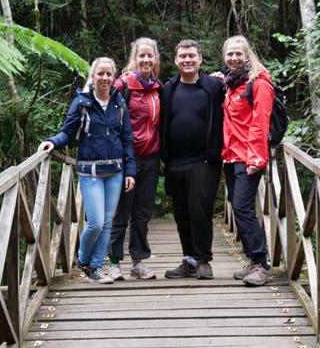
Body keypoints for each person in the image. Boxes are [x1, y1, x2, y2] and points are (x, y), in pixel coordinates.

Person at [39, 57, 136, 283]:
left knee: (108, 223)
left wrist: (130, 171)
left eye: (108, 74)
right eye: (100, 73)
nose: (104, 78)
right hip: (90, 171)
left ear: (114, 77)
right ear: (93, 76)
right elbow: (68, 131)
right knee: (96, 222)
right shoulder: (82, 102)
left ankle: (95, 267)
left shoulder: (119, 103)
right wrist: (52, 141)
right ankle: (83, 259)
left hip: (115, 171)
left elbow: (127, 139)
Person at [159, 39, 225, 279]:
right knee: (181, 213)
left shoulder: (214, 86)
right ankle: (188, 260)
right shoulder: (168, 88)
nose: (187, 60)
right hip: (175, 162)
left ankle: (204, 261)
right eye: (182, 57)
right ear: (176, 60)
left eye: (191, 56)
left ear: (200, 60)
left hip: (204, 161)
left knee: (200, 211)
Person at [221, 35, 275, 286]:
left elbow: (260, 122)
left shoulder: (259, 83)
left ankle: (262, 264)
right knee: (237, 204)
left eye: (237, 54)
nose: (233, 58)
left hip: (249, 157)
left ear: (247, 55)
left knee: (242, 207)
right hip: (232, 156)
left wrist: (256, 157)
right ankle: (253, 261)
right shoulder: (233, 84)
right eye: (229, 54)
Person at [107, 38, 162, 280]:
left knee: (142, 213)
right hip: (126, 159)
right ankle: (114, 262)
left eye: (150, 56)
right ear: (135, 58)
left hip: (151, 158)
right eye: (142, 56)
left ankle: (137, 262)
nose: (146, 60)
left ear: (156, 59)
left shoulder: (158, 87)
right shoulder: (123, 86)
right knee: (121, 211)